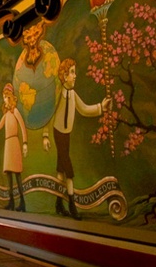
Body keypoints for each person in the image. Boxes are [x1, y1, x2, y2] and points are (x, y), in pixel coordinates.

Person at [43, 58, 111, 219]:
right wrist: (45, 136)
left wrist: (101, 107)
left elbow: (85, 109)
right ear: (64, 75)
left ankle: (59, 203)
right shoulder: (58, 94)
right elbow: (48, 115)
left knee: (60, 172)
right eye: (72, 72)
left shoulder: (72, 94)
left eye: (74, 72)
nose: (75, 76)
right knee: (69, 171)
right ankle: (72, 205)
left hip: (67, 135)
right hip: (58, 133)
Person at [0, 84, 28, 212]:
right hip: (8, 144)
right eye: (4, 97)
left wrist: (25, 143)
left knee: (17, 174)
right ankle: (11, 201)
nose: (4, 99)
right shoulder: (6, 114)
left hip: (14, 143)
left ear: (11, 98)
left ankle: (22, 202)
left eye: (6, 97)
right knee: (9, 175)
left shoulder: (15, 111)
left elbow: (22, 127)